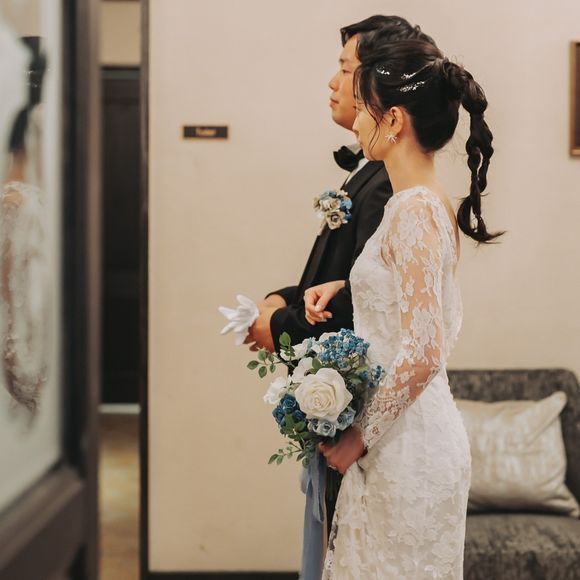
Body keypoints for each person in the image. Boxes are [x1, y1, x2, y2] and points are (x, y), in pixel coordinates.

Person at [303, 32, 503, 578]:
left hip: (407, 448)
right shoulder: (418, 203)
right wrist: (348, 285)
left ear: (392, 119)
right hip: (404, 437)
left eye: (363, 109)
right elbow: (412, 297)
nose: (356, 124)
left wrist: (357, 437)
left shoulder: (414, 209)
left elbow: (424, 348)